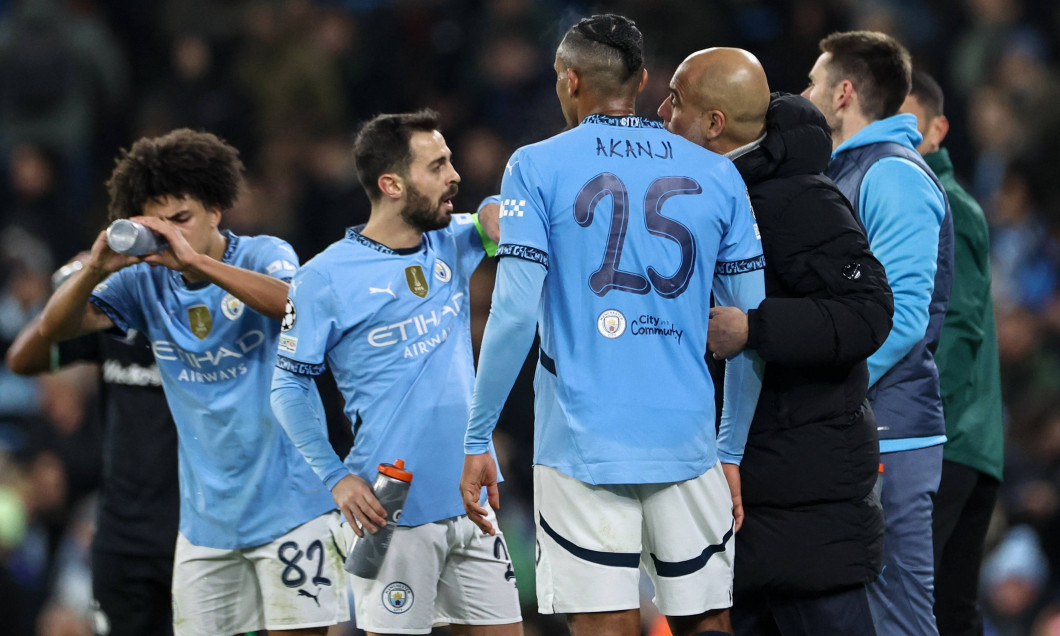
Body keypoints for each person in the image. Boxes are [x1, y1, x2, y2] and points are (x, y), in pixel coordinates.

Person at [461, 15, 766, 636]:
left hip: (582, 441)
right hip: (687, 437)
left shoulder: (535, 166)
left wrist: (476, 437)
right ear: (644, 81)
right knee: (708, 622)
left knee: (605, 625)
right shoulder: (720, 174)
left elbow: (515, 311)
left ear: (570, 80)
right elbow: (748, 328)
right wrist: (729, 449)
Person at [33, 128, 348, 636]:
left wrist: (197, 262)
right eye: (159, 226)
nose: (172, 236)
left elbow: (299, 306)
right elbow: (53, 330)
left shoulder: (263, 253)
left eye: (183, 220)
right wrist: (94, 268)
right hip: (205, 527)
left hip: (293, 508)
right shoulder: (141, 280)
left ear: (215, 211)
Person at [658, 47, 893, 635]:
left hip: (806, 504)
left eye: (676, 100)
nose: (662, 111)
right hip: (750, 495)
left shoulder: (800, 199)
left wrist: (756, 328)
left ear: (714, 124)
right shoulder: (706, 197)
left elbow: (868, 312)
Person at [270, 110, 522, 636]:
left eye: (451, 160)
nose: (454, 175)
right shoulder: (322, 278)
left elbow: (492, 215)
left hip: (471, 496)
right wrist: (335, 477)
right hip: (392, 505)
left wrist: (495, 208)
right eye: (437, 166)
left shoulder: (451, 240)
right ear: (391, 184)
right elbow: (288, 385)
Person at [801, 31, 954, 636]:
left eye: (814, 81)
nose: (805, 92)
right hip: (860, 426)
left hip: (888, 430)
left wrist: (826, 392)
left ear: (843, 93)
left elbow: (902, 316)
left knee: (897, 614)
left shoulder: (891, 175)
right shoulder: (851, 170)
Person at [6, 258, 179, 636]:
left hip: (195, 531)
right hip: (121, 535)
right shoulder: (112, 317)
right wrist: (86, 280)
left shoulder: (200, 320)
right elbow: (21, 358)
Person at [900, 69, 1005, 636]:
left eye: (908, 118)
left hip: (947, 440)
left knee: (913, 602)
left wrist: (912, 418)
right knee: (952, 609)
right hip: (972, 439)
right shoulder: (941, 199)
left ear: (939, 129)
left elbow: (959, 333)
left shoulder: (943, 204)